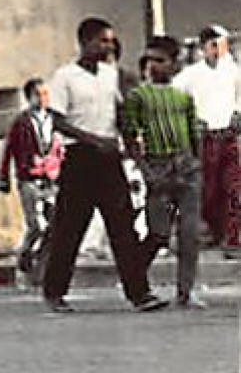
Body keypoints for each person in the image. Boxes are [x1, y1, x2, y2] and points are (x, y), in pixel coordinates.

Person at [42, 17, 167, 314]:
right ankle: (54, 291)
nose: (109, 46)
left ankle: (139, 293)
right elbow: (58, 121)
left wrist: (137, 158)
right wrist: (95, 140)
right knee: (70, 227)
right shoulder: (65, 77)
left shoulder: (111, 76)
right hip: (80, 158)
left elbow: (121, 119)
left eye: (110, 40)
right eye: (103, 40)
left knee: (123, 226)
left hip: (109, 160)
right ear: (85, 42)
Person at [125, 37, 204, 308]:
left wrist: (195, 164)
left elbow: (194, 134)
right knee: (158, 233)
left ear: (174, 63)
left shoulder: (183, 96)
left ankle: (186, 291)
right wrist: (145, 169)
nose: (153, 66)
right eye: (149, 60)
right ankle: (134, 279)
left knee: (189, 233)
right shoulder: (137, 96)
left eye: (160, 60)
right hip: (157, 165)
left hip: (186, 166)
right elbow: (130, 136)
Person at [172, 24, 240, 252]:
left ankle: (232, 238)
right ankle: (210, 232)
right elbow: (175, 100)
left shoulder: (233, 72)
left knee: (232, 186)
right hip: (204, 138)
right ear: (204, 46)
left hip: (229, 135)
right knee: (207, 188)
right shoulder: (191, 75)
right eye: (213, 44)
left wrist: (237, 115)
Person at [0, 77, 64, 287]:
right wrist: (3, 177)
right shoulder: (21, 122)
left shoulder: (56, 119)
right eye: (38, 95)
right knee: (36, 226)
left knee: (54, 226)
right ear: (29, 97)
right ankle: (24, 258)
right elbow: (8, 151)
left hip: (51, 178)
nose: (43, 99)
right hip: (29, 178)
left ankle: (42, 270)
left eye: (45, 94)